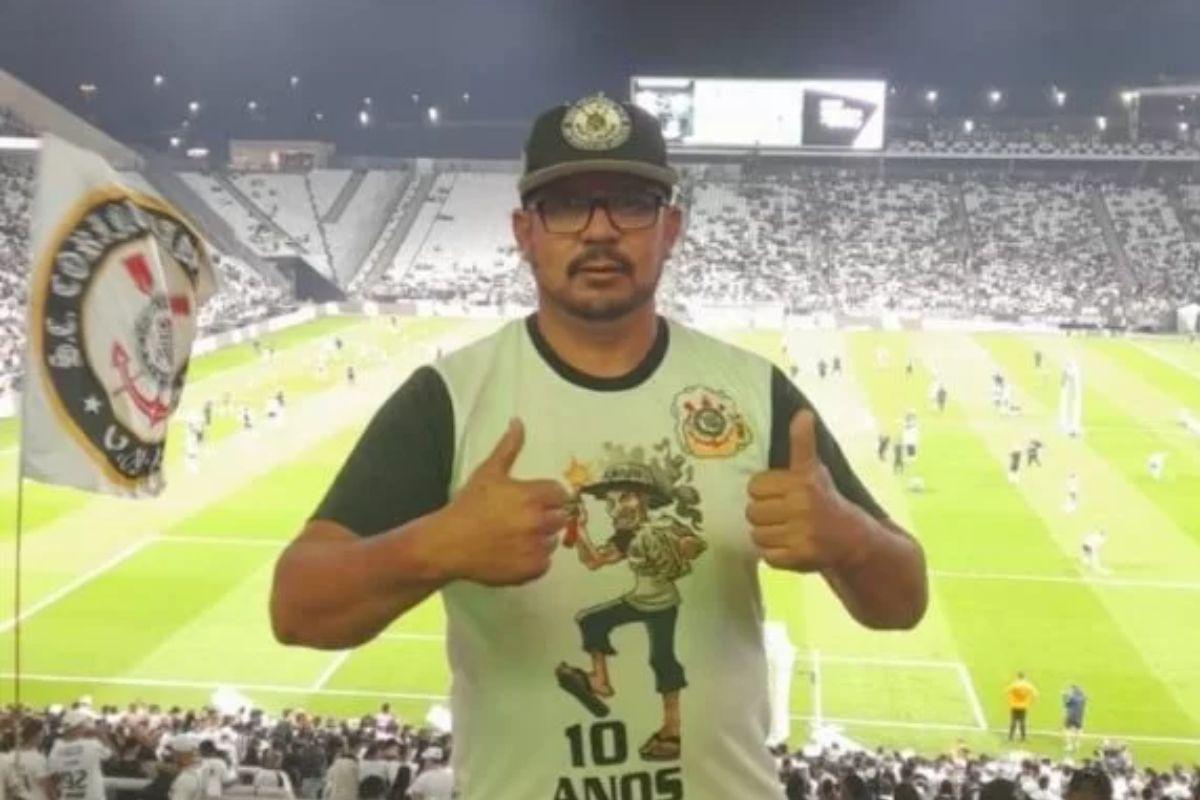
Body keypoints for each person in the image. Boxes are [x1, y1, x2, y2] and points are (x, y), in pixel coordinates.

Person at [270, 93, 927, 800]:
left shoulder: (754, 393)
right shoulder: (449, 400)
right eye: (566, 206)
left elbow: (903, 600)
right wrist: (434, 546)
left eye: (631, 204)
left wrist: (850, 540)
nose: (600, 230)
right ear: (524, 232)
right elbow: (297, 608)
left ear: (670, 229)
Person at [46, 711, 112, 800]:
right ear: (78, 727)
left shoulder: (56, 748)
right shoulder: (92, 744)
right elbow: (109, 753)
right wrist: (101, 734)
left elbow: (53, 776)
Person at [1005, 672, 1038, 742]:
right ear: (1024, 677)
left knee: (1013, 721)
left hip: (1014, 705)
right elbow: (1035, 694)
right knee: (1022, 721)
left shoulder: (1014, 684)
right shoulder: (1027, 685)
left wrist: (1010, 701)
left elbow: (1008, 692)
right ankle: (1023, 737)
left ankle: (1010, 737)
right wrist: (1030, 702)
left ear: (1017, 677)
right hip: (1023, 706)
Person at [1061, 684, 1087, 753]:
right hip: (1079, 716)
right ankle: (1077, 743)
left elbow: (1066, 705)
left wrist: (1063, 697)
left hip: (1071, 716)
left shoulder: (1071, 697)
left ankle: (1069, 745)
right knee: (1079, 729)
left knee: (1067, 729)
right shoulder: (1083, 698)